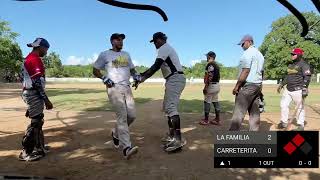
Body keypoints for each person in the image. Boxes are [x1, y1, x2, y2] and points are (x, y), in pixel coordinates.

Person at [93, 33, 140, 159]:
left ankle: (115, 133)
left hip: (127, 88)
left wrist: (136, 76)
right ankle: (126, 148)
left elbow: (132, 70)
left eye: (122, 40)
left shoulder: (126, 54)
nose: (121, 41)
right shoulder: (105, 54)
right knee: (122, 117)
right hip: (114, 88)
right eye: (118, 39)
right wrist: (104, 78)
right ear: (112, 41)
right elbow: (95, 70)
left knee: (132, 116)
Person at [138, 32, 186, 152]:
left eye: (155, 41)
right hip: (172, 79)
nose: (154, 44)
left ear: (160, 40)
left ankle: (178, 139)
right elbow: (155, 67)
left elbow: (156, 66)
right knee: (167, 108)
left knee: (170, 107)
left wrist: (142, 78)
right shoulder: (165, 49)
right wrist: (142, 75)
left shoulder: (164, 48)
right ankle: (172, 136)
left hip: (175, 78)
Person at [19, 38, 53, 161]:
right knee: (36, 122)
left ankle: (39, 147)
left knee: (38, 119)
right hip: (33, 93)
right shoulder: (34, 59)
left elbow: (23, 78)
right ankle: (26, 152)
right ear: (41, 47)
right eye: (46, 49)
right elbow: (37, 82)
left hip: (30, 93)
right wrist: (46, 100)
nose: (46, 52)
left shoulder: (28, 58)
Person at [229, 35, 265, 131]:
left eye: (243, 44)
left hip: (247, 86)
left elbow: (245, 71)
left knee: (238, 113)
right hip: (256, 86)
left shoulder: (248, 53)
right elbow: (262, 73)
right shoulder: (260, 55)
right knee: (254, 113)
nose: (242, 46)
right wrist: (260, 88)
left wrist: (237, 86)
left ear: (249, 42)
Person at [277, 48, 311, 131]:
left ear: (299, 55)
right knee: (283, 105)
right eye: (291, 54)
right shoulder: (290, 65)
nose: (291, 55)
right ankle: (284, 122)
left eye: (293, 54)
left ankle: (300, 125)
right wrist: (282, 84)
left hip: (298, 89)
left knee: (299, 108)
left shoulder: (304, 65)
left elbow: (307, 77)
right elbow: (287, 77)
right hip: (288, 89)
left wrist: (304, 88)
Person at [199, 51, 221, 126]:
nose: (206, 57)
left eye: (207, 56)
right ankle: (217, 119)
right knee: (215, 101)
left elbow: (210, 76)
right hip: (217, 85)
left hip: (211, 86)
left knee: (207, 101)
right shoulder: (217, 65)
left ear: (210, 57)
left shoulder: (210, 64)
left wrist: (205, 87)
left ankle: (206, 120)